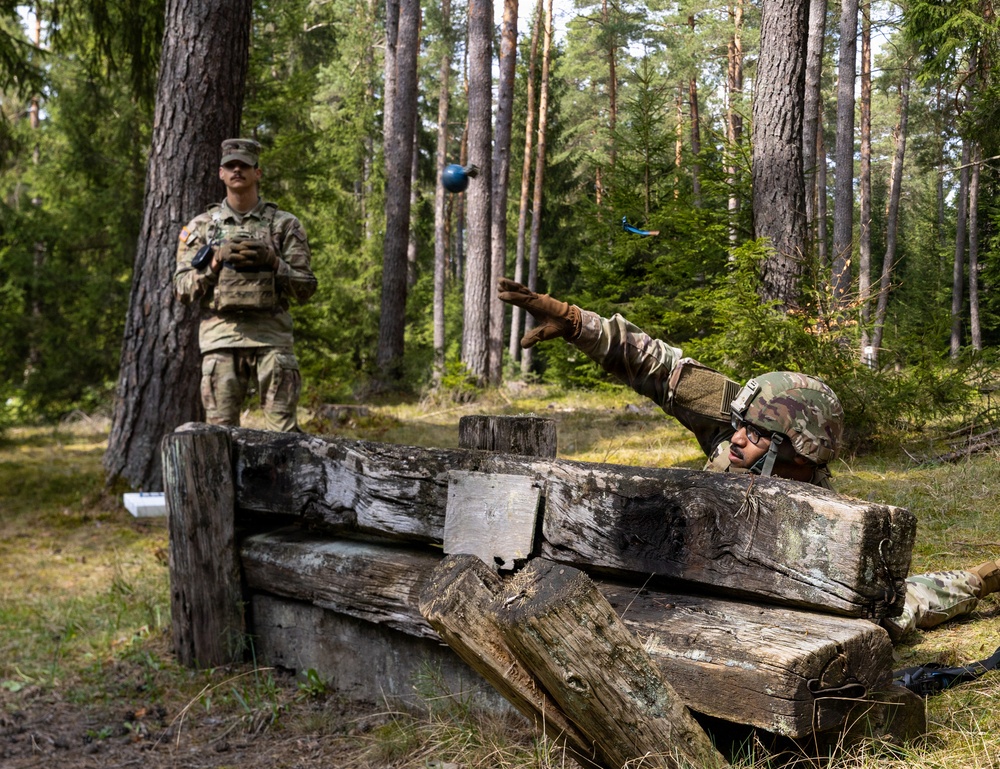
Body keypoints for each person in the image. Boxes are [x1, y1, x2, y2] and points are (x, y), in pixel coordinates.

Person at [497, 277, 1000, 641]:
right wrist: (576, 321)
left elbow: (894, 608)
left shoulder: (823, 530)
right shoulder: (740, 429)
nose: (736, 438)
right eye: (740, 424)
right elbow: (660, 367)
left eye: (757, 434)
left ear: (798, 452)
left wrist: (971, 585)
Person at [174, 138, 318, 432]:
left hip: (272, 340)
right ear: (221, 174)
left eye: (244, 165)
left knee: (283, 437)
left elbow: (306, 287)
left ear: (257, 173)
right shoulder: (202, 227)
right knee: (218, 436)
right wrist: (215, 262)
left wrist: (273, 262)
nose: (237, 170)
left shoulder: (284, 225)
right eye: (231, 165)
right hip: (221, 340)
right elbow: (182, 289)